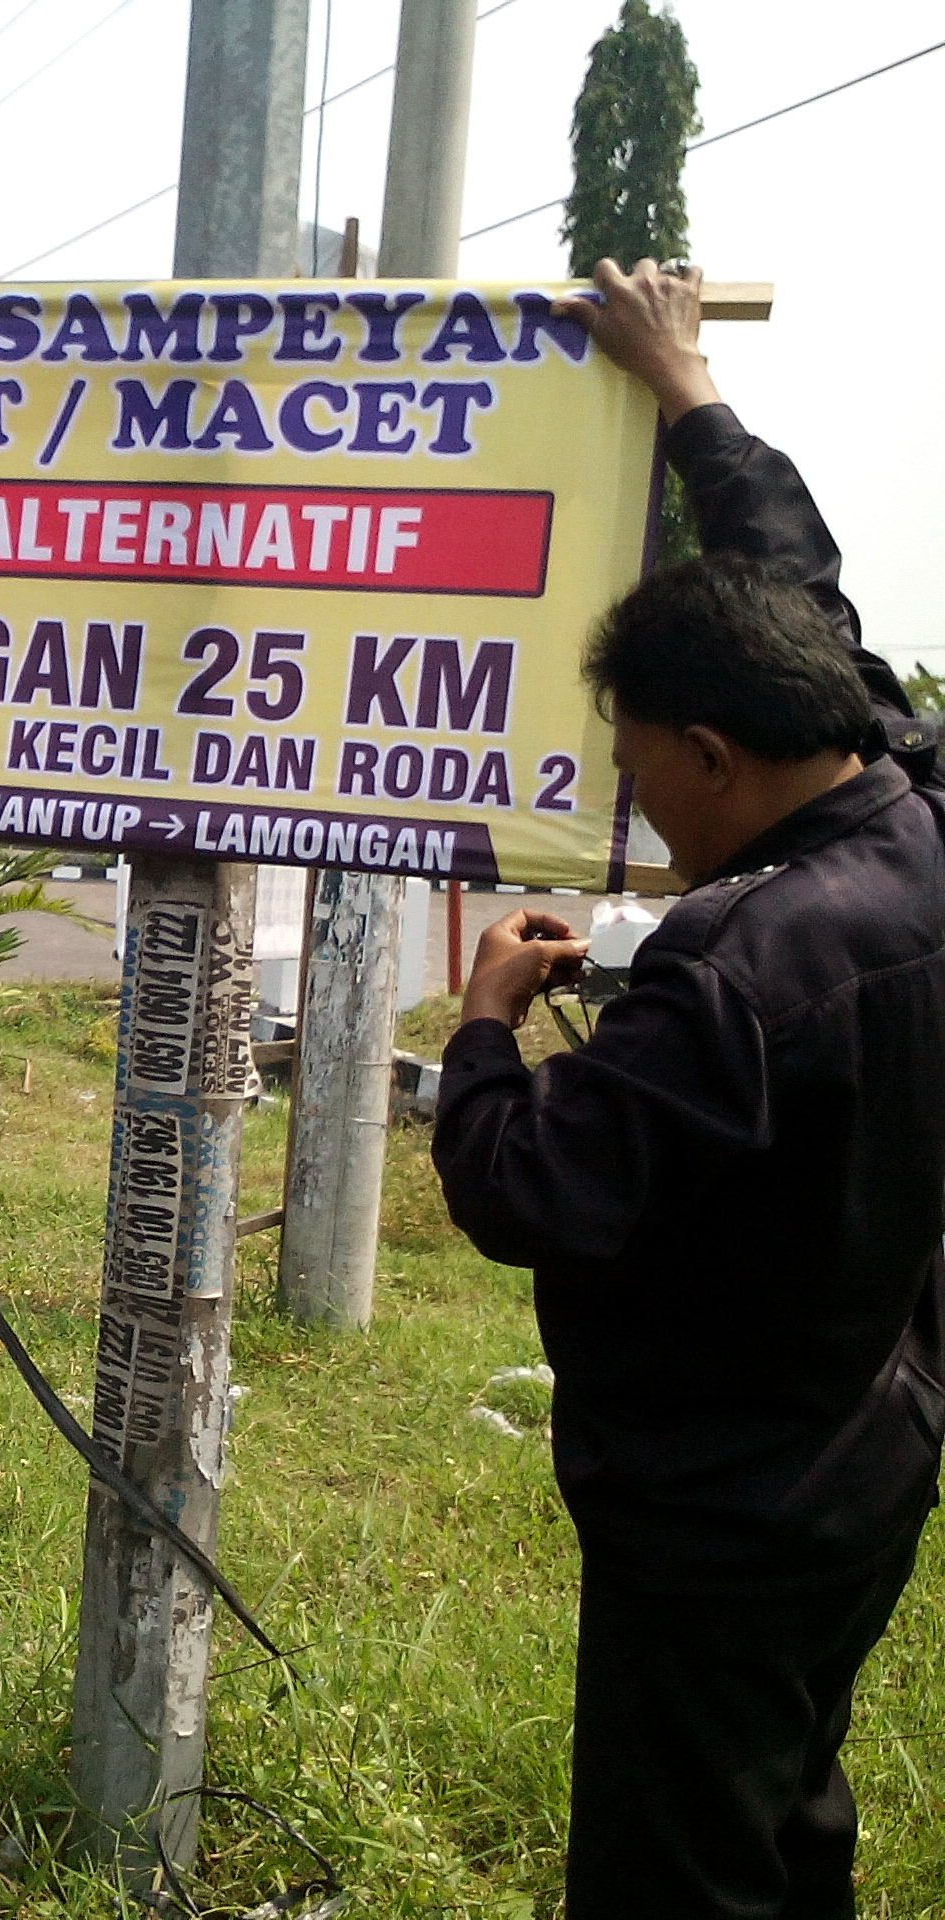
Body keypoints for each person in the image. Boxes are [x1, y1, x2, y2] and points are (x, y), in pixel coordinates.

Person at [431, 259, 945, 1919]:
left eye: (637, 757)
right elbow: (810, 603)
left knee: (678, 1864)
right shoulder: (911, 807)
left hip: (721, 1502)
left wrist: (488, 1029)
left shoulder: (737, 969)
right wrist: (686, 393)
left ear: (714, 755)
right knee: (786, 1804)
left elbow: (527, 1190)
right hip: (871, 1440)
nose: (631, 797)